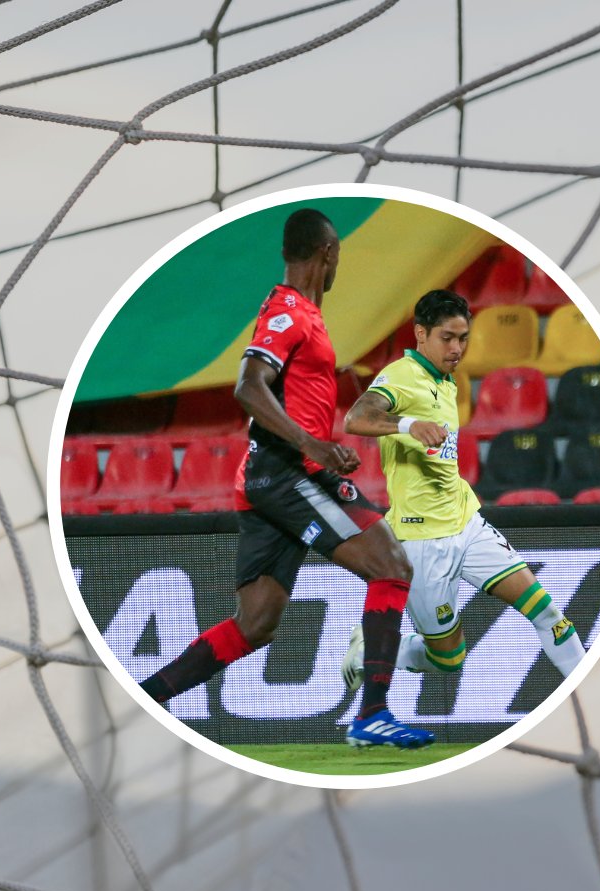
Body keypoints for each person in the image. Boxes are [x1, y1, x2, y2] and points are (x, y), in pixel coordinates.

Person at [138, 208, 435, 750]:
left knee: (254, 625)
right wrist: (311, 444)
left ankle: (144, 698)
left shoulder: (301, 314)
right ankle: (373, 714)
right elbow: (248, 386)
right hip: (290, 473)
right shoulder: (289, 312)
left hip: (271, 476)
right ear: (328, 253)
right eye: (337, 257)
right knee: (392, 567)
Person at [340, 288, 586, 699]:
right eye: (447, 338)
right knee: (449, 660)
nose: (457, 348)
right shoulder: (402, 376)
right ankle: (377, 646)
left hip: (467, 525)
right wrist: (408, 425)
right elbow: (356, 417)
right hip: (421, 542)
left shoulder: (445, 379)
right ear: (421, 334)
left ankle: (588, 697)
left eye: (463, 338)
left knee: (549, 615)